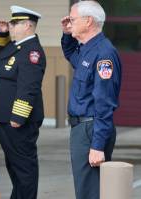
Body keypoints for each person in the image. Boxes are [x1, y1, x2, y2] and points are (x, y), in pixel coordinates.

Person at [60, 1, 122, 199]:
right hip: (82, 129)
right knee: (86, 189)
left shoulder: (104, 53)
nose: (70, 22)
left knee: (90, 192)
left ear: (88, 21)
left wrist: (97, 145)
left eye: (73, 19)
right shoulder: (88, 48)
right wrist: (67, 35)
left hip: (91, 128)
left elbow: (104, 103)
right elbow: (70, 54)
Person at [0, 5, 46, 199]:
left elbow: (28, 87)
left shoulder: (32, 52)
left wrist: (18, 117)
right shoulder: (18, 47)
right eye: (11, 23)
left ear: (28, 25)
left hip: (18, 121)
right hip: (6, 118)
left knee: (24, 169)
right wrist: (2, 33)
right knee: (13, 166)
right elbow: (4, 53)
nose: (11, 26)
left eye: (15, 23)